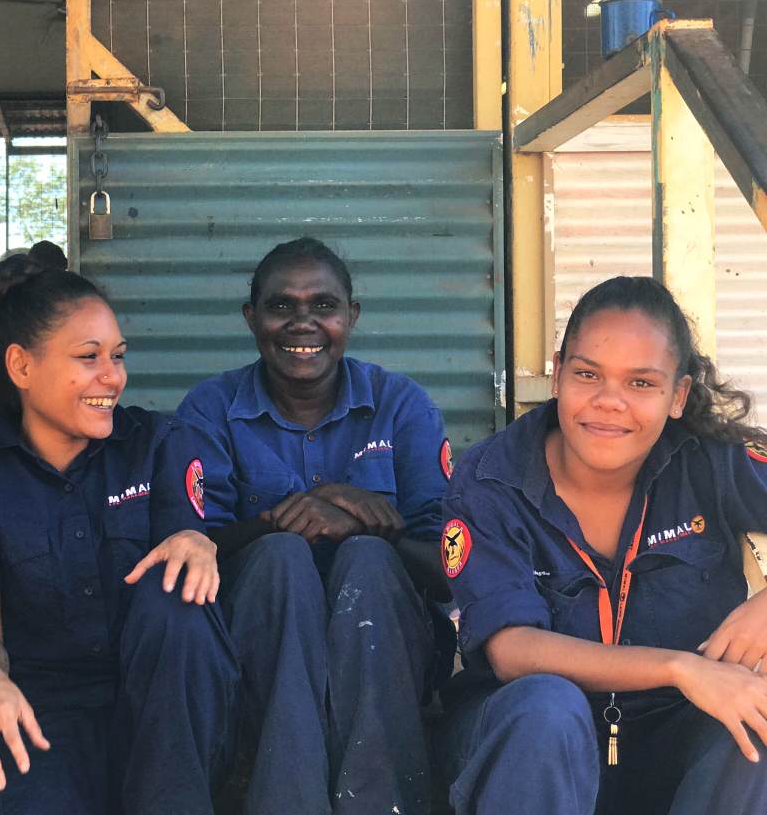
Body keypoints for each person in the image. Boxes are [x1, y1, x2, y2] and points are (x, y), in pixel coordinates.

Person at [438, 275, 767, 814]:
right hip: (528, 746)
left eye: (641, 384)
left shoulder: (710, 462)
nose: (609, 402)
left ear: (678, 395)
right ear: (556, 370)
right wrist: (681, 668)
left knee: (749, 725)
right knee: (547, 705)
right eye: (588, 374)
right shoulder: (491, 477)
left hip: (671, 734)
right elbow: (512, 650)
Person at [0, 255, 238, 815]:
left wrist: (198, 539)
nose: (113, 377)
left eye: (117, 357)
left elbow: (185, 584)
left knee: (178, 592)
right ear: (21, 367)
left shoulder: (160, 443)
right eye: (88, 358)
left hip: (160, 710)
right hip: (44, 712)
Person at [176, 237, 451, 814]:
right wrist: (283, 518)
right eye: (282, 307)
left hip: (387, 643)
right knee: (279, 557)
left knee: (370, 560)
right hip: (260, 646)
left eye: (323, 305)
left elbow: (450, 571)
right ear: (252, 318)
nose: (304, 322)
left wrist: (368, 531)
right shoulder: (211, 409)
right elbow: (188, 549)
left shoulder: (401, 406)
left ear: (350, 316)